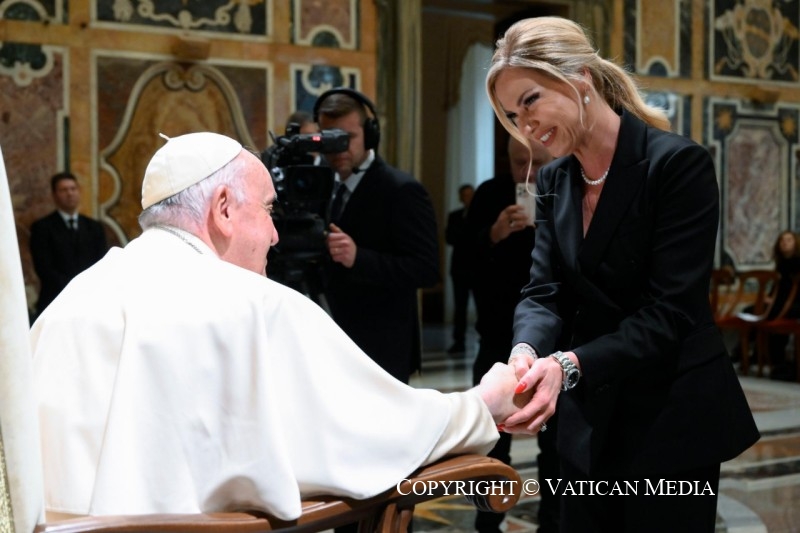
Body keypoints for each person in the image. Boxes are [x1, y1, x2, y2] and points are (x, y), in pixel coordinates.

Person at [31, 131, 532, 523]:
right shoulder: (253, 303)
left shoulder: (77, 294)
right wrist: (481, 405)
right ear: (223, 209)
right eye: (269, 209)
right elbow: (372, 431)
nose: (275, 234)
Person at [485, 17, 760, 532]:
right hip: (588, 419)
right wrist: (525, 351)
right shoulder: (555, 178)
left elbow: (671, 311)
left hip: (670, 416)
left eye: (530, 100)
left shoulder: (676, 165)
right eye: (512, 115)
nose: (526, 125)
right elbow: (543, 290)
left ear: (580, 77)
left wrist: (568, 365)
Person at [313, 88, 440, 383]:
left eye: (348, 137)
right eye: (330, 138)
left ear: (369, 135)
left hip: (382, 347)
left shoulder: (401, 190)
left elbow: (426, 269)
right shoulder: (317, 186)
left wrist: (359, 258)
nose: (338, 148)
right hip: (328, 341)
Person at [466, 136, 556, 533]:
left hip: (555, 344)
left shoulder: (565, 191)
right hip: (497, 336)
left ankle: (554, 523)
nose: (528, 173)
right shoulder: (491, 194)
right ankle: (486, 524)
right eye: (520, 162)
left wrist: (546, 229)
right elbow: (461, 264)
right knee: (489, 443)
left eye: (538, 163)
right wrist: (494, 234)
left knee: (556, 446)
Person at [29, 172, 108, 319]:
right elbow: (44, 268)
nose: (70, 193)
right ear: (54, 195)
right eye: (63, 190)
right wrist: (74, 287)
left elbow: (102, 262)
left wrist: (88, 287)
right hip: (55, 301)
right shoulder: (42, 228)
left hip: (90, 300)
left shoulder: (94, 227)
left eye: (73, 188)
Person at [763, 230, 800, 380]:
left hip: (794, 303)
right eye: (782, 240)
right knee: (752, 311)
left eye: (789, 240)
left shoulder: (797, 263)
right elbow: (778, 288)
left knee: (772, 314)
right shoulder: (781, 264)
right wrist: (769, 298)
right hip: (781, 302)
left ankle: (779, 364)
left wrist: (775, 302)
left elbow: (793, 290)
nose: (785, 243)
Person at [444, 183, 475, 354]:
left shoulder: (481, 214)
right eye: (465, 195)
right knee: (460, 307)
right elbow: (449, 237)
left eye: (470, 195)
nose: (468, 198)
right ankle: (459, 341)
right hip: (460, 267)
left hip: (478, 267)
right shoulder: (455, 216)